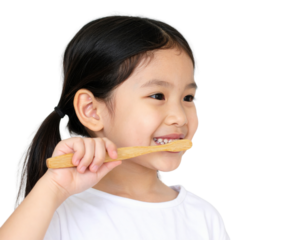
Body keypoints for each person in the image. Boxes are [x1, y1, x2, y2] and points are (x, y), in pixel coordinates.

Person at [0, 11, 232, 240]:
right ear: (91, 110)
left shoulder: (204, 217)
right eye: (157, 95)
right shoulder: (54, 211)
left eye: (189, 98)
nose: (180, 117)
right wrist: (53, 188)